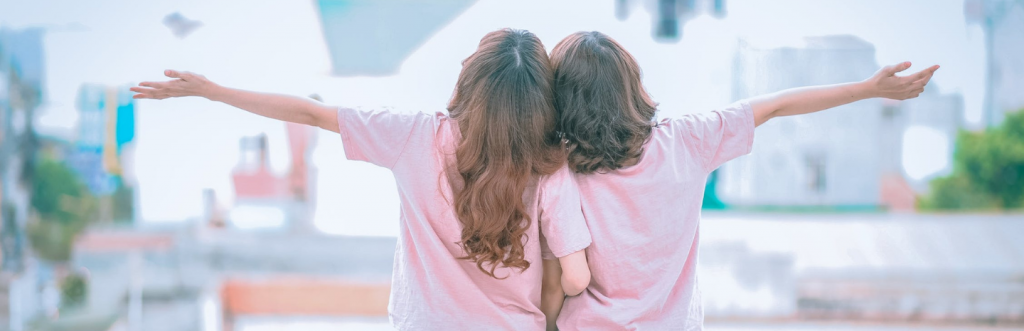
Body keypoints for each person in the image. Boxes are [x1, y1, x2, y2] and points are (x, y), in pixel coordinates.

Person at [131, 28, 593, 330]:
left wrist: (213, 92)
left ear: (469, 83)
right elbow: (569, 275)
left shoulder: (414, 137)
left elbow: (310, 113)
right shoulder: (549, 167)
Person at [544, 31, 939, 330]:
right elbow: (778, 104)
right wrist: (868, 88)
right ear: (631, 85)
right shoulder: (687, 141)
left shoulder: (558, 167)